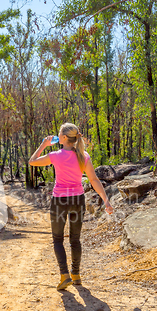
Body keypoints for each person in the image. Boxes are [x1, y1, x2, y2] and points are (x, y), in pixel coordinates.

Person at [29, 122, 113, 290]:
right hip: (78, 200)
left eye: (59, 135)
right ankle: (76, 275)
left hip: (59, 201)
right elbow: (94, 180)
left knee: (58, 239)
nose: (57, 137)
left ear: (65, 137)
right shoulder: (84, 155)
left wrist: (43, 144)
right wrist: (106, 200)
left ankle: (64, 275)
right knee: (75, 239)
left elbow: (32, 161)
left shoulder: (55, 155)